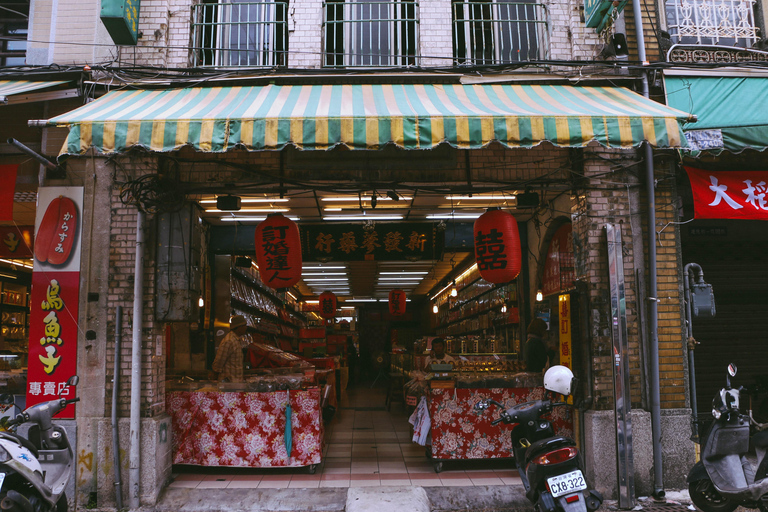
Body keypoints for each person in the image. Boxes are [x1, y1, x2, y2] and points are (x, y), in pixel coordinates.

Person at [210, 315, 248, 382]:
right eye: (244, 325)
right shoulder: (229, 341)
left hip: (236, 382)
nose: (246, 327)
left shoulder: (236, 340)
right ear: (239, 327)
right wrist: (214, 375)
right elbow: (219, 361)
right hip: (229, 383)